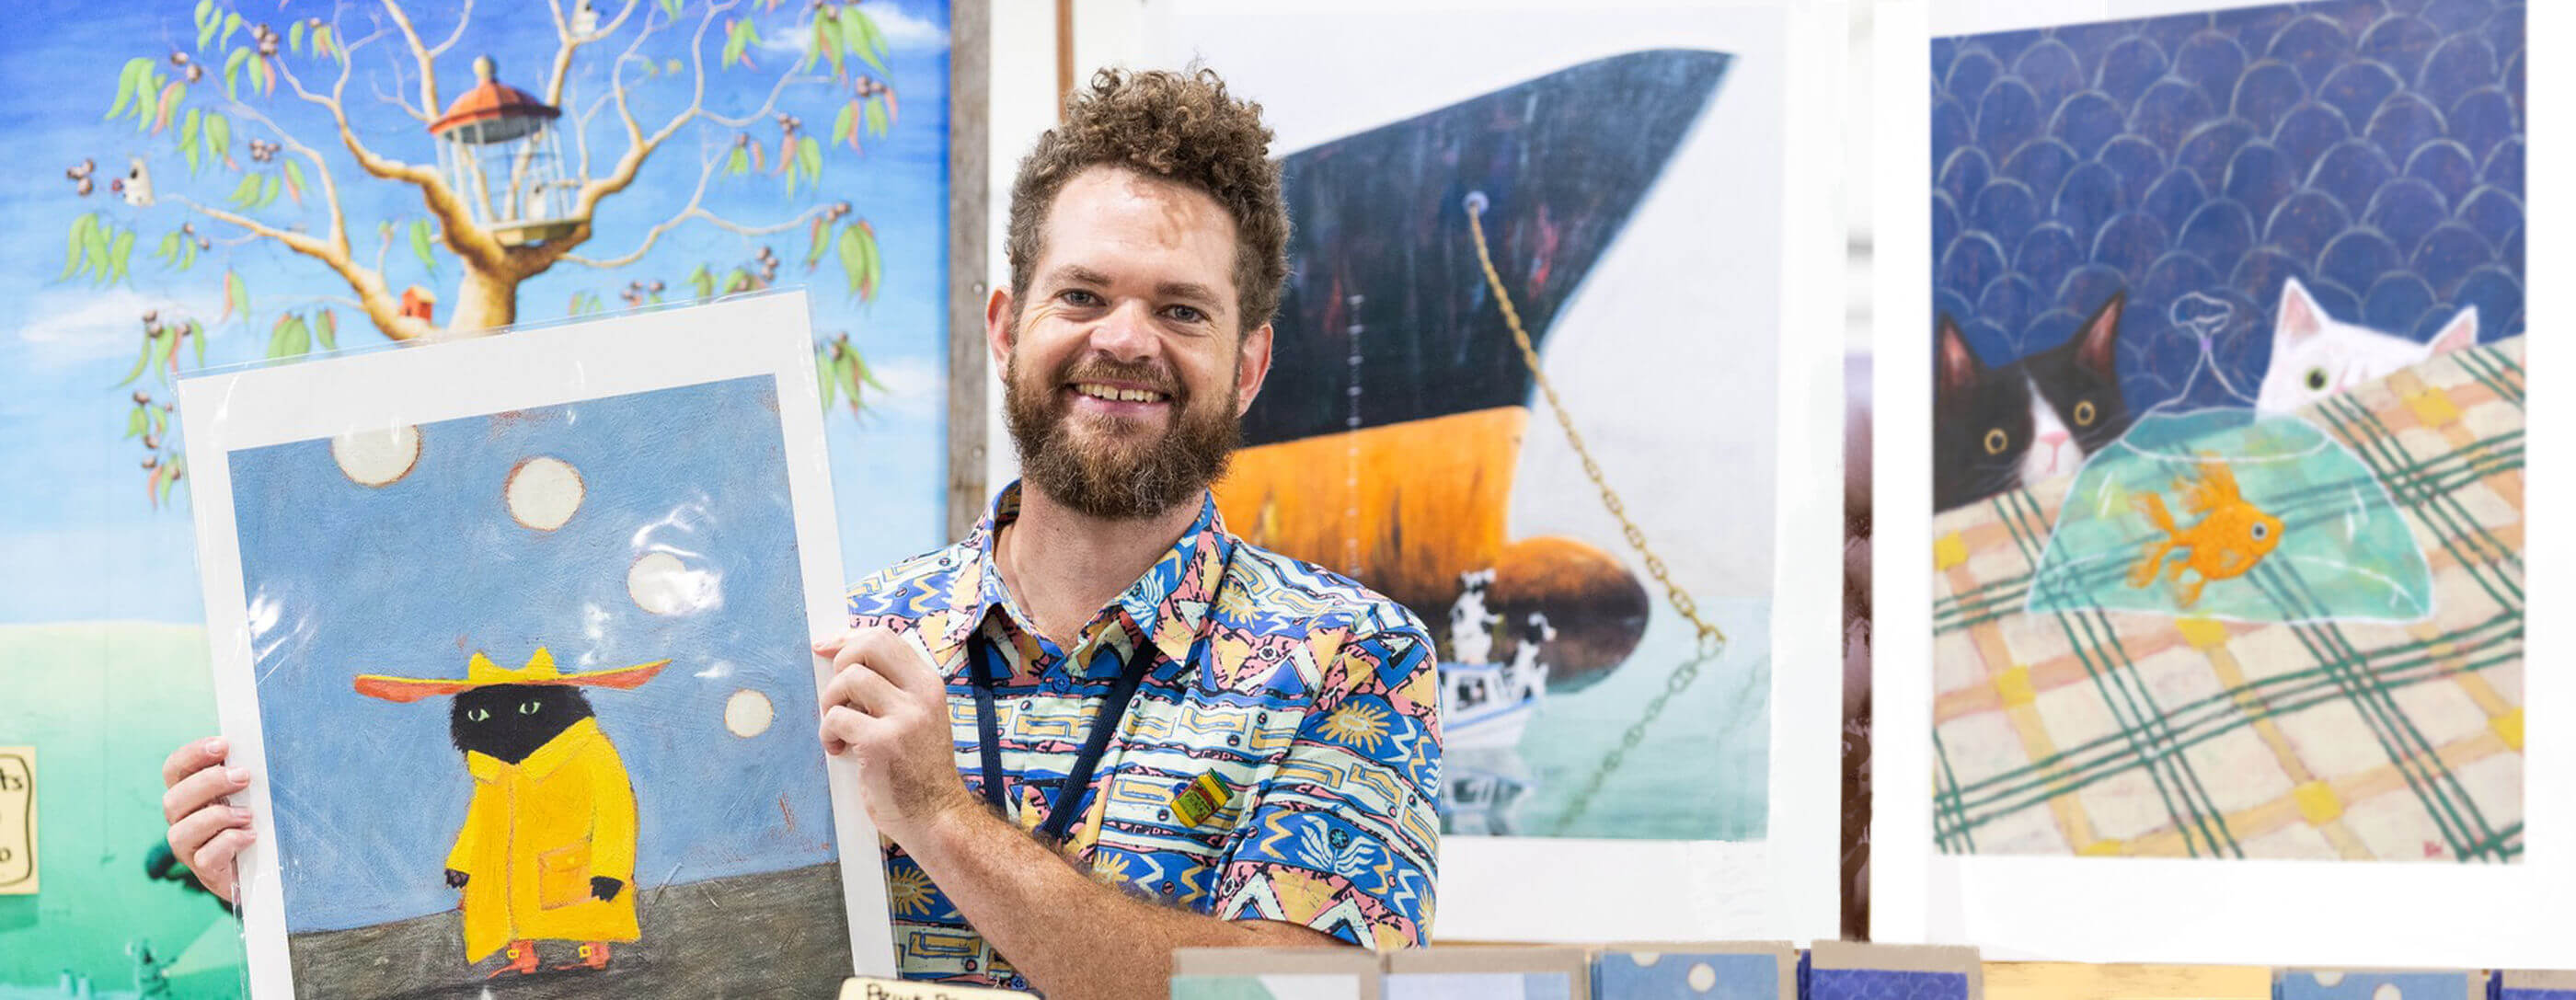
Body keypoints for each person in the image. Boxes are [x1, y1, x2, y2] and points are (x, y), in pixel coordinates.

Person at [159, 66, 1442, 998]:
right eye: (1083, 295)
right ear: (1007, 326)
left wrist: (938, 815)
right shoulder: (846, 634)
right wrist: (289, 876)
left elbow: (1303, 999)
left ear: (1254, 359)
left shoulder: (1352, 662)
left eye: (1183, 309)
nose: (1123, 340)